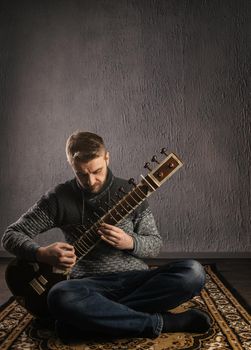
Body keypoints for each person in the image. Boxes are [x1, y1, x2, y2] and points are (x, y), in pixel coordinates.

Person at [2, 131, 211, 343]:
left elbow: (154, 244)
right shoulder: (58, 198)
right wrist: (41, 253)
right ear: (70, 164)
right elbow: (11, 235)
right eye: (82, 174)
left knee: (193, 273)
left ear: (107, 158)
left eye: (97, 171)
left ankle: (86, 322)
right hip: (86, 287)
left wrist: (130, 242)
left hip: (135, 281)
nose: (91, 181)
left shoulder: (132, 192)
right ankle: (163, 323)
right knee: (59, 296)